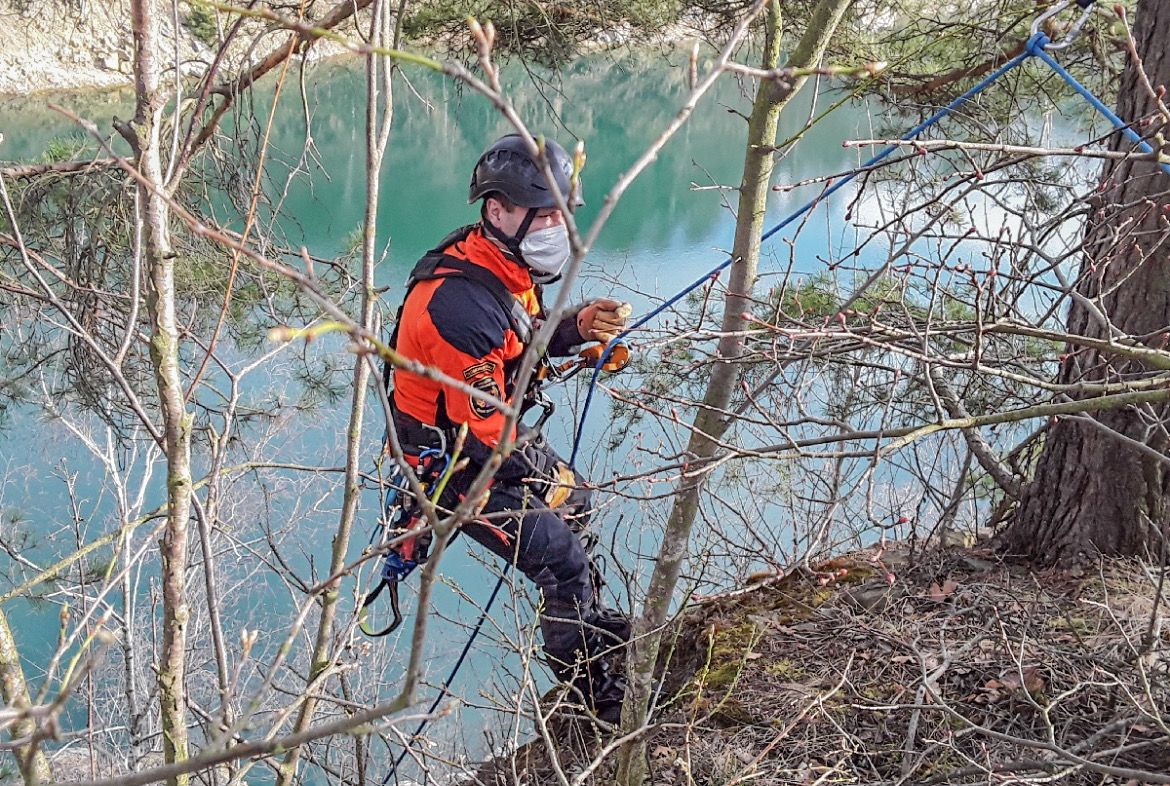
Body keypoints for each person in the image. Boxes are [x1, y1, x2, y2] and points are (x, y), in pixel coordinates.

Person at [385, 133, 631, 724]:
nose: (555, 227)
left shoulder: (499, 264)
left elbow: (517, 348)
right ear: (498, 210)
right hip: (454, 470)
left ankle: (590, 625)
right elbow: (490, 431)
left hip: (483, 435)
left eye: (560, 214)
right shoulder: (456, 305)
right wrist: (548, 482)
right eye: (542, 214)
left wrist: (575, 332)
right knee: (563, 561)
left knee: (578, 503)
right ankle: (590, 690)